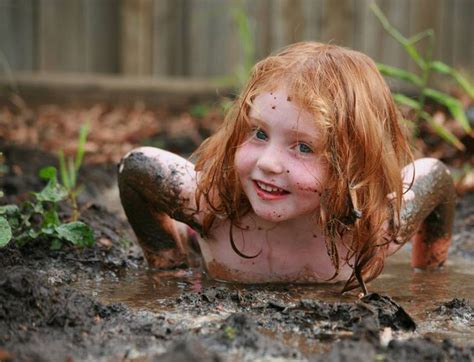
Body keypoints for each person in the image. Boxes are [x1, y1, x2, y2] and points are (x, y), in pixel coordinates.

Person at [118, 42, 455, 294]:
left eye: (304, 147)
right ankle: (184, 237)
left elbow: (437, 179)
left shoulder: (376, 230)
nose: (267, 162)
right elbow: (136, 168)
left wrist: (429, 276)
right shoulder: (209, 207)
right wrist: (169, 267)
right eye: (259, 133)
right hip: (215, 224)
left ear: (354, 167)